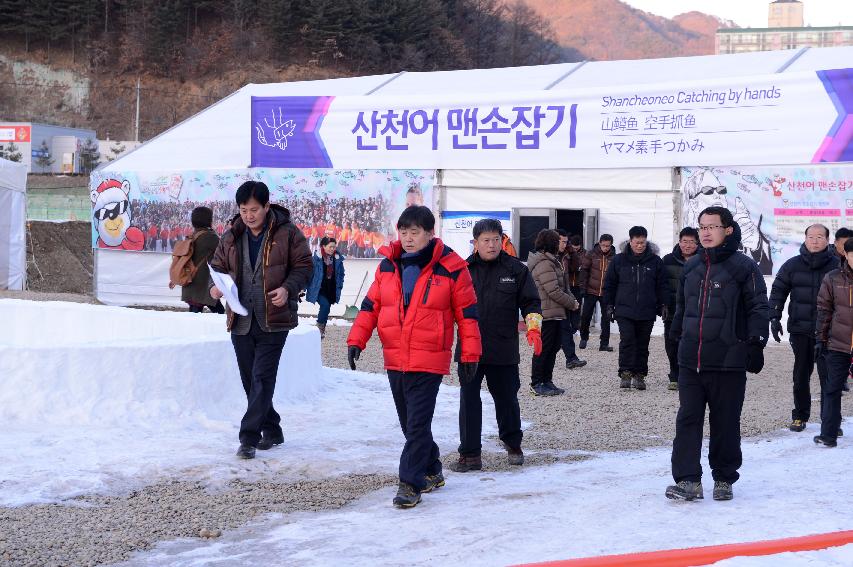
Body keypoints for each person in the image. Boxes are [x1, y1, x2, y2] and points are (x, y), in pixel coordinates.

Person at [346, 206, 481, 509]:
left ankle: (410, 482)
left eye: (414, 232)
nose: (407, 238)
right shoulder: (388, 266)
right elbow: (370, 306)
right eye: (403, 231)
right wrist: (357, 339)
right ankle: (432, 469)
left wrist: (470, 354)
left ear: (430, 234)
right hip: (396, 357)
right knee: (410, 423)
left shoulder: (452, 267)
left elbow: (468, 314)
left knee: (418, 424)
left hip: (429, 358)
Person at [666, 206, 768, 502]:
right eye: (702, 227)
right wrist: (676, 336)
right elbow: (682, 307)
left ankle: (724, 478)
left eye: (712, 226)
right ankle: (688, 480)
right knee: (687, 419)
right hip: (691, 360)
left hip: (728, 360)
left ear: (728, 230)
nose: (706, 232)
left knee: (725, 422)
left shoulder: (743, 267)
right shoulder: (692, 266)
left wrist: (755, 343)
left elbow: (759, 307)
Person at [210, 181, 313, 460]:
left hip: (274, 319)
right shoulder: (232, 235)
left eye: (254, 209)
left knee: (262, 377)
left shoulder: (288, 233)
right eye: (243, 210)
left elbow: (305, 266)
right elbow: (217, 268)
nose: (248, 215)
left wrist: (287, 288)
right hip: (241, 318)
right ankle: (273, 428)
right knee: (249, 380)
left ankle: (248, 438)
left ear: (267, 207)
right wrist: (215, 288)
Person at [451, 219, 542, 473]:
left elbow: (532, 303)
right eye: (485, 240)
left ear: (502, 241)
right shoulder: (462, 270)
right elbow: (447, 306)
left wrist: (533, 328)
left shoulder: (516, 270)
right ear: (475, 243)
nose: (491, 245)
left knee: (506, 399)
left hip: (503, 347)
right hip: (469, 348)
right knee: (468, 399)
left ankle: (513, 444)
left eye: (495, 240)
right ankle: (470, 454)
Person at [769, 224, 838, 432]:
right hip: (800, 330)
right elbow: (778, 291)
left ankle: (830, 419)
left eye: (819, 237)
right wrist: (774, 316)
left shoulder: (838, 266)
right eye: (810, 236)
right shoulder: (792, 265)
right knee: (800, 375)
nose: (814, 240)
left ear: (827, 240)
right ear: (805, 239)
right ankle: (800, 415)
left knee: (829, 377)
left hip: (830, 332)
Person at [603, 226, 667, 391]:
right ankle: (625, 373)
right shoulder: (619, 260)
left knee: (642, 344)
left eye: (643, 243)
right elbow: (609, 284)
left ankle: (640, 375)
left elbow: (662, 286)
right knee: (627, 341)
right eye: (637, 242)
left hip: (647, 310)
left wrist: (663, 304)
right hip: (625, 309)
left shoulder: (655, 261)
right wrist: (609, 305)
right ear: (630, 241)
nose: (640, 246)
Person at [528, 229, 579, 396]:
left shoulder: (553, 261)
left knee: (553, 348)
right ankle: (536, 383)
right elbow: (553, 290)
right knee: (543, 349)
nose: (562, 244)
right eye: (559, 241)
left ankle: (547, 380)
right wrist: (571, 303)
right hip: (546, 313)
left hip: (556, 312)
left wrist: (571, 300)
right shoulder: (544, 262)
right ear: (551, 243)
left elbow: (564, 287)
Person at [814, 237, 853, 447]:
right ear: (845, 255)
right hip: (839, 344)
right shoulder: (833, 278)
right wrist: (820, 339)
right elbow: (824, 310)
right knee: (832, 389)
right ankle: (828, 434)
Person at [662, 227, 700, 390]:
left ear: (697, 244)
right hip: (672, 310)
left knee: (694, 343)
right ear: (679, 242)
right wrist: (662, 303)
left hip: (696, 311)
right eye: (685, 241)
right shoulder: (668, 260)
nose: (688, 245)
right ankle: (674, 375)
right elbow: (661, 285)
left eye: (692, 242)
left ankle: (691, 375)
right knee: (672, 343)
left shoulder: (703, 260)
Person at [171, 206, 225, 314]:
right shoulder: (211, 237)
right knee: (219, 313)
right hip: (204, 285)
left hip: (191, 282)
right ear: (209, 220)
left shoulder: (192, 236)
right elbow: (223, 254)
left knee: (195, 315)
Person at [578, 234, 616, 352]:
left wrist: (614, 292)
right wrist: (583, 288)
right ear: (599, 243)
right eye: (603, 245)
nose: (605, 248)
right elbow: (584, 271)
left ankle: (604, 343)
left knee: (606, 317)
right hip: (591, 290)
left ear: (611, 245)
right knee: (586, 315)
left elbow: (616, 276)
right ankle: (584, 337)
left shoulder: (614, 257)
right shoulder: (591, 254)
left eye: (608, 246)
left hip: (606, 292)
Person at [557, 230, 586, 369]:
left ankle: (570, 358)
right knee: (561, 330)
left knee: (567, 328)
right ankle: (570, 357)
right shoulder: (548, 257)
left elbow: (576, 268)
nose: (565, 244)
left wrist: (572, 253)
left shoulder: (566, 256)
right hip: (553, 299)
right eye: (562, 241)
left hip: (567, 292)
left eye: (565, 242)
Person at [306, 236, 345, 339]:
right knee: (325, 305)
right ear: (323, 246)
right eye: (330, 247)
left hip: (331, 289)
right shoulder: (316, 258)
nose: (332, 249)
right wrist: (302, 288)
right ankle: (319, 329)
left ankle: (321, 329)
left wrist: (340, 285)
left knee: (326, 308)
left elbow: (341, 274)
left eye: (334, 247)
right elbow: (308, 274)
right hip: (318, 288)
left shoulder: (337, 259)